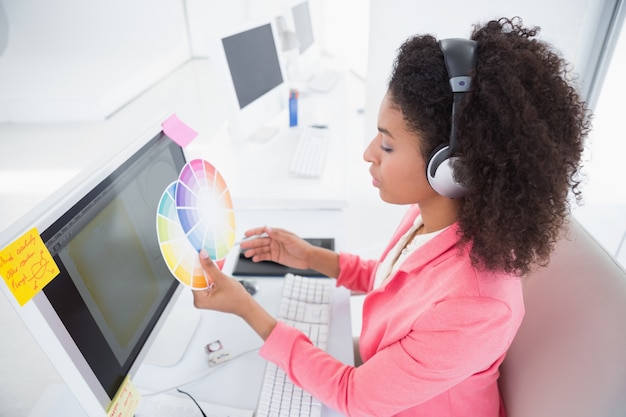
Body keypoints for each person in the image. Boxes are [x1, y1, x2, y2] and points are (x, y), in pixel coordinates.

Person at [192, 17, 590, 417]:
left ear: (451, 168)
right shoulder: (436, 214)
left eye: (387, 145)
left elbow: (355, 397)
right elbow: (395, 282)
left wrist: (247, 309)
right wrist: (310, 256)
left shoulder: (478, 304)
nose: (368, 153)